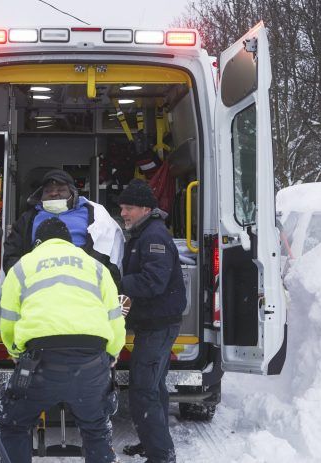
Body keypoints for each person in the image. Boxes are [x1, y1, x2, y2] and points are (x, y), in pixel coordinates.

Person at [0, 218, 126, 463]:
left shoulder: (22, 267)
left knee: (13, 423)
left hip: (41, 362)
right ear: (69, 241)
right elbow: (115, 318)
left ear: (38, 242)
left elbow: (9, 319)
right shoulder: (96, 267)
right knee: (96, 428)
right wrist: (112, 353)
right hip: (91, 360)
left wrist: (15, 350)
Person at [117, 179, 187, 463]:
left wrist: (117, 282)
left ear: (146, 208)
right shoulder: (143, 233)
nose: (123, 213)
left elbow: (153, 282)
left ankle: (161, 456)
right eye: (122, 207)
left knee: (144, 390)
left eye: (129, 208)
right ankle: (153, 444)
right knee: (155, 388)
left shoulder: (154, 237)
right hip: (153, 323)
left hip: (159, 325)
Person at [2, 169, 124, 286]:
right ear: (40, 196)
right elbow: (11, 256)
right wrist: (28, 278)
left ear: (73, 193)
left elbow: (109, 253)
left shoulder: (95, 215)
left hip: (83, 282)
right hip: (37, 284)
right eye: (48, 191)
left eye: (61, 189)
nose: (54, 193)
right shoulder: (28, 219)